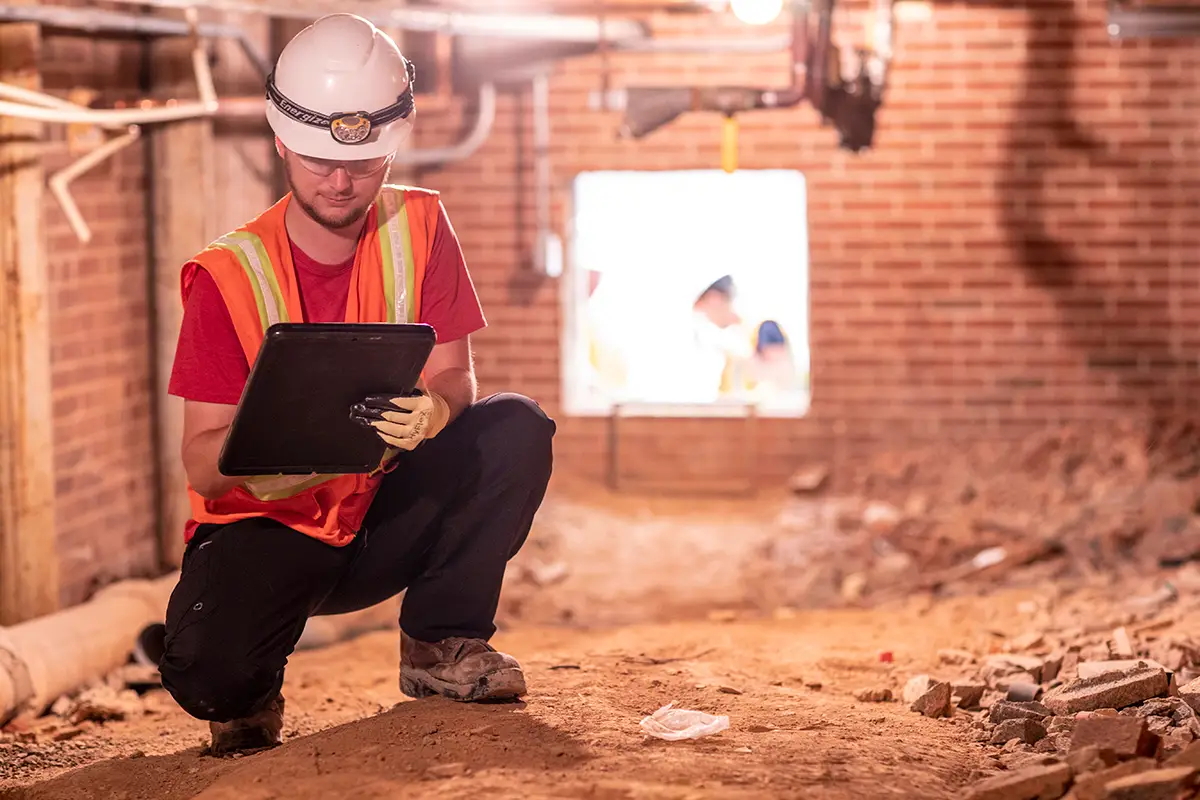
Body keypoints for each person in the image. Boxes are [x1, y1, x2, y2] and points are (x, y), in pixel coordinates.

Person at [158, 13, 556, 756]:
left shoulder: (423, 226)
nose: (340, 181)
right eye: (316, 159)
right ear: (281, 139)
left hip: (382, 515)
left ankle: (441, 645)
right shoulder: (226, 277)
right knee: (211, 678)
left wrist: (437, 410)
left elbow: (454, 375)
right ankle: (249, 685)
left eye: (364, 162)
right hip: (272, 530)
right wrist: (277, 463)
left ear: (393, 144)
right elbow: (201, 463)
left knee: (515, 426)